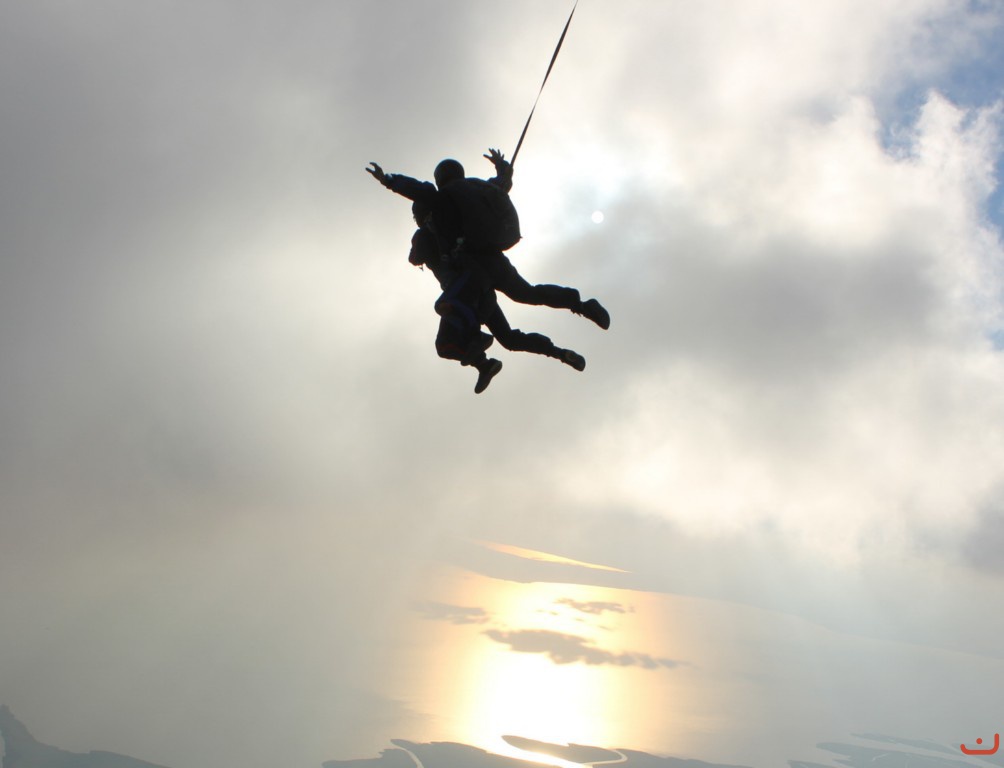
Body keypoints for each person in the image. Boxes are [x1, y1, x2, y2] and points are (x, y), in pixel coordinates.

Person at [366, 150, 610, 329]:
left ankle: (476, 352)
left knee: (466, 304)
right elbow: (503, 181)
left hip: (473, 262)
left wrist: (389, 180)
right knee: (528, 293)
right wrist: (501, 165)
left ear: (440, 179)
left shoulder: (444, 197)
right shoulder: (479, 187)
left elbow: (419, 190)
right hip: (494, 254)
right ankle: (581, 304)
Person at [409, 200, 586, 394]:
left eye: (416, 216)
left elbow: (414, 257)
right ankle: (558, 353)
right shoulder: (449, 226)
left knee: (446, 318)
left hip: (466, 293)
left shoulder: (427, 232)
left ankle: (478, 343)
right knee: (507, 338)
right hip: (481, 294)